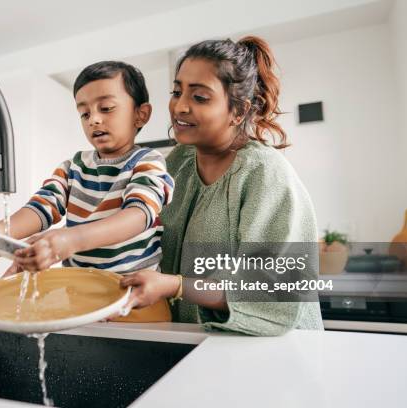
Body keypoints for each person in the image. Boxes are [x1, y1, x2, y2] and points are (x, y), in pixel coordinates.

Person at [119, 36, 324, 336]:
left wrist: (175, 286)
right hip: (200, 346)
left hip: (277, 354)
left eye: (199, 97)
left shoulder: (265, 173)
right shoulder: (178, 163)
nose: (180, 107)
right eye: (177, 92)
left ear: (238, 111)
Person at [0, 61, 174, 277]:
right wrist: (0, 232)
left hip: (135, 290)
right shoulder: (73, 167)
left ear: (141, 114)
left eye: (106, 108)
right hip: (80, 289)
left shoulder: (148, 161)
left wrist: (71, 240)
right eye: (85, 114)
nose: (94, 120)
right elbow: (41, 206)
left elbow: (138, 215)